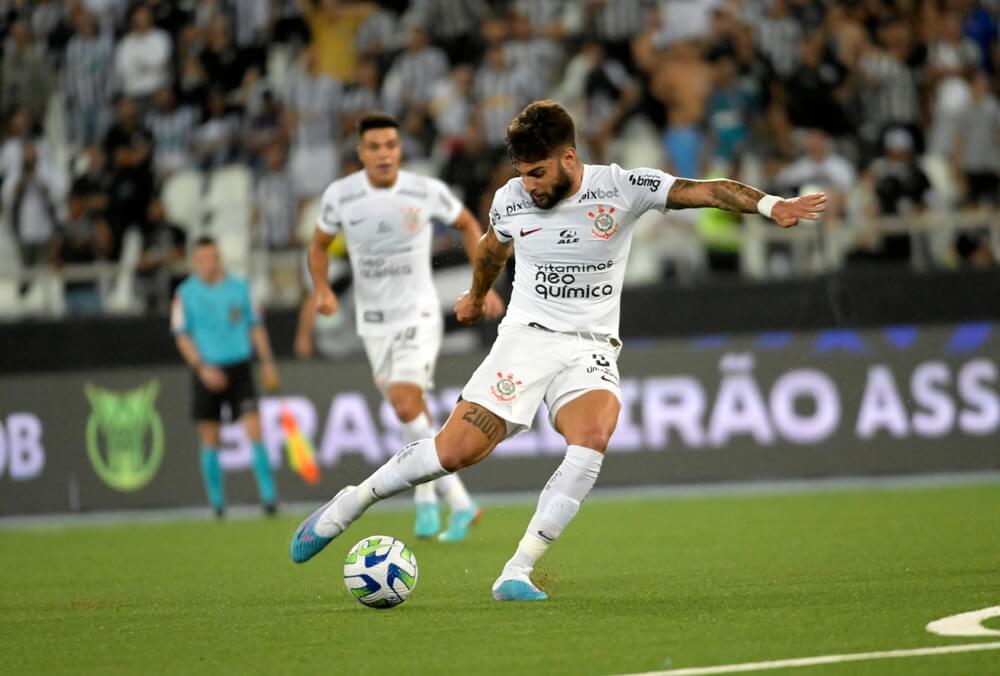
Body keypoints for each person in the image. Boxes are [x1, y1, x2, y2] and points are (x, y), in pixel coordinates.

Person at [289, 100, 826, 600]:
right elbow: (490, 252)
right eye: (522, 173)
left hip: (591, 347)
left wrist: (771, 204)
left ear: (569, 157)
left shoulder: (621, 186)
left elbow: (706, 190)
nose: (529, 185)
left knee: (592, 436)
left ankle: (517, 570)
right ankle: (351, 502)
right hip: (525, 340)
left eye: (538, 172)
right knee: (455, 453)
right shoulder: (511, 199)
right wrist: (477, 298)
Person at [302, 112, 505, 542]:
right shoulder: (341, 196)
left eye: (390, 145)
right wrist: (321, 288)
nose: (383, 154)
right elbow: (318, 246)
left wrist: (479, 286)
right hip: (373, 325)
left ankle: (436, 502)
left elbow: (470, 225)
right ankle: (452, 504)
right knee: (410, 415)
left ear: (398, 150)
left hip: (418, 315)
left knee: (404, 403)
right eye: (374, 147)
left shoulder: (423, 190)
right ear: (361, 153)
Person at [171, 237, 280, 518]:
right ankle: (217, 504)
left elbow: (256, 327)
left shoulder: (241, 288)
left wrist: (267, 362)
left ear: (220, 258)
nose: (210, 263)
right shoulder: (185, 294)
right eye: (203, 259)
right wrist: (202, 368)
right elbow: (182, 336)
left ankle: (269, 499)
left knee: (255, 431)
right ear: (195, 262)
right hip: (206, 370)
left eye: (214, 257)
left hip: (239, 367)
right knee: (210, 438)